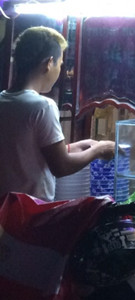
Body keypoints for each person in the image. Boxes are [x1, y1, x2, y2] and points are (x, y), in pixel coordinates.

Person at [0, 26, 114, 201]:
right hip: (30, 212)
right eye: (60, 65)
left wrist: (75, 147)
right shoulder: (42, 106)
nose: (60, 71)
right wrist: (98, 150)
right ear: (49, 63)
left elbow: (23, 151)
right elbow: (61, 166)